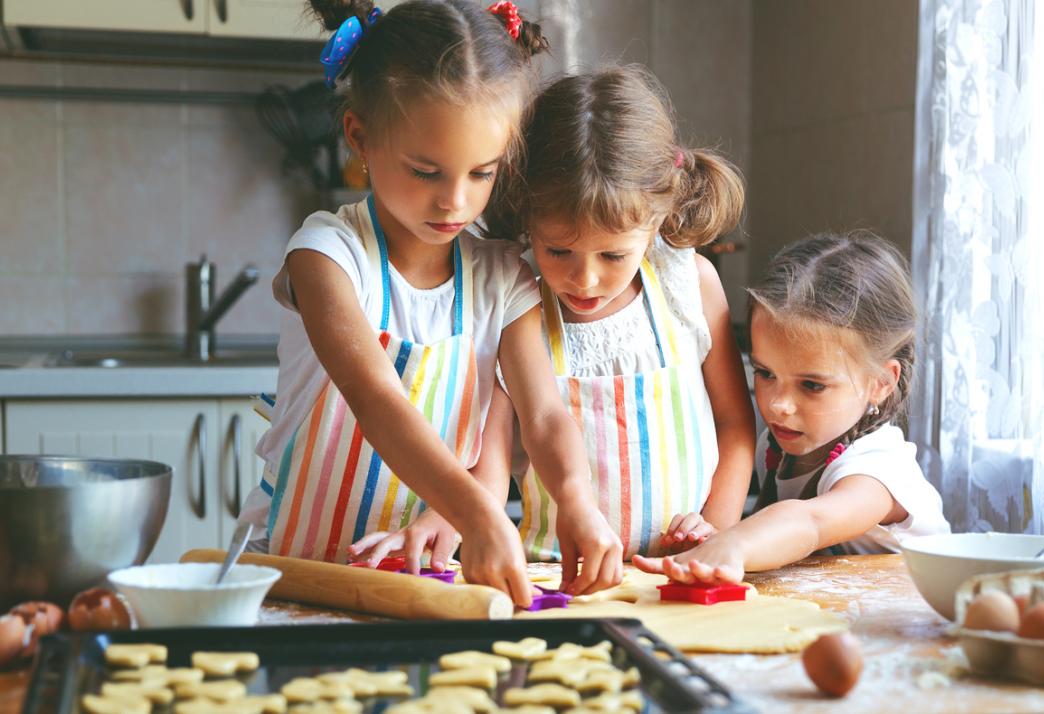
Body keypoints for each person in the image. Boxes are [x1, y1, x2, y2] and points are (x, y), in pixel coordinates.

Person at [237, 0, 622, 604]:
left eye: (482, 173)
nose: (455, 203)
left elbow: (544, 416)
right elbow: (377, 400)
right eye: (425, 172)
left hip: (421, 586)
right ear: (360, 137)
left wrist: (577, 501)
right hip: (294, 575)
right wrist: (479, 514)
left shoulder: (501, 277)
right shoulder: (329, 256)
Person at [482, 65, 757, 560]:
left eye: (612, 256)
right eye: (558, 251)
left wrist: (715, 533)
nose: (584, 280)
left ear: (655, 223)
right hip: (560, 572)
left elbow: (735, 425)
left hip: (683, 569)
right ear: (527, 218)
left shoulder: (688, 285)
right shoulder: (518, 301)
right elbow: (495, 450)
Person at [634, 231, 951, 584]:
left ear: (880, 383)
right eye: (765, 373)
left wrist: (736, 543)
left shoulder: (878, 471)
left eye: (812, 385)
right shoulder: (776, 445)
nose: (778, 405)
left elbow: (810, 523)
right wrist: (712, 538)